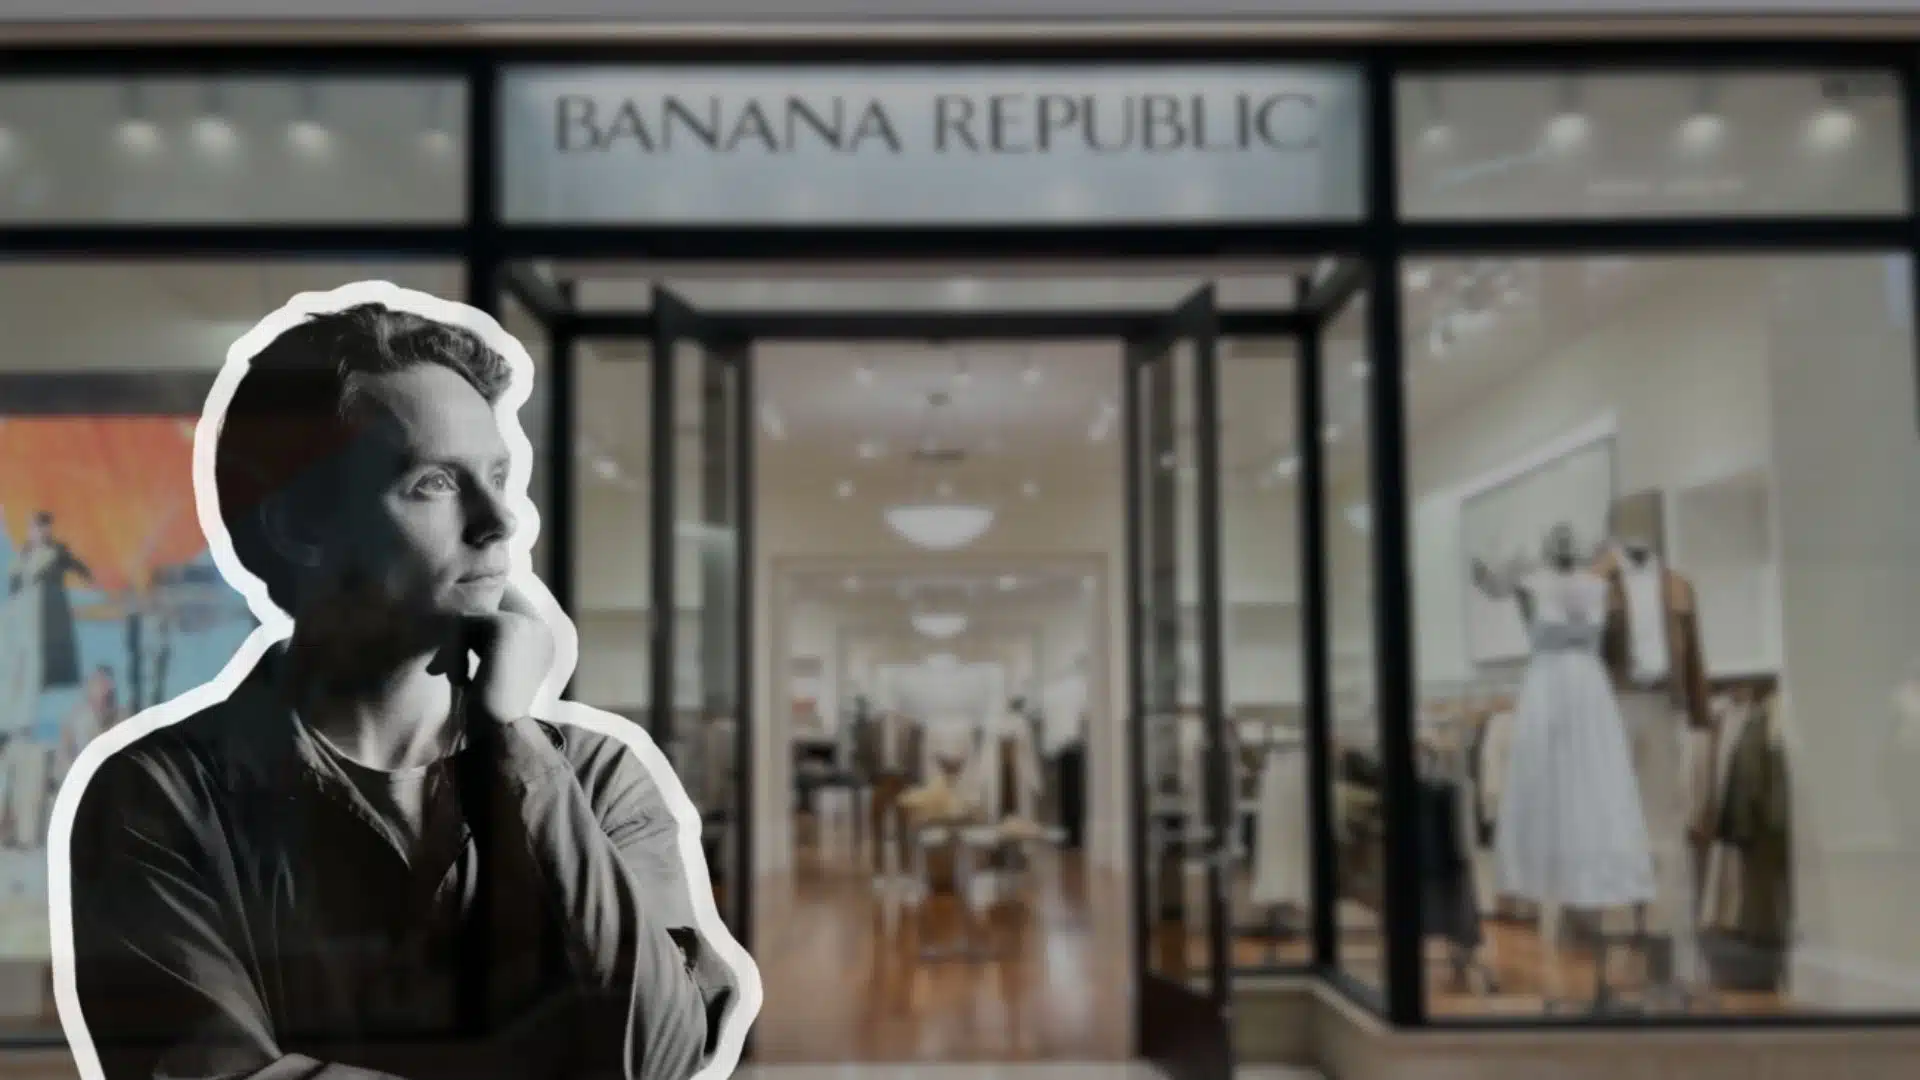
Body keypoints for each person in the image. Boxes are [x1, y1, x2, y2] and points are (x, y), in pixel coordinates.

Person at [64, 302, 735, 1080]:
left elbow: (659, 1062)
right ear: (300, 526)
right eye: (435, 481)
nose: (499, 523)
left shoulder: (593, 780)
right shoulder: (160, 799)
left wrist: (511, 741)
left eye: (496, 477)